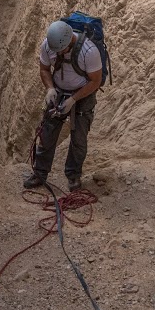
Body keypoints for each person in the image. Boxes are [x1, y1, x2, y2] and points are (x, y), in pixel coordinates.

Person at [23, 18, 103, 192]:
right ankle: (40, 173)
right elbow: (44, 69)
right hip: (59, 90)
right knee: (47, 133)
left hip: (83, 93)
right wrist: (50, 89)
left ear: (70, 41)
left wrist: (73, 99)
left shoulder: (89, 51)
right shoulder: (48, 45)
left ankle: (73, 176)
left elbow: (95, 81)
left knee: (79, 138)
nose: (58, 53)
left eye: (61, 50)